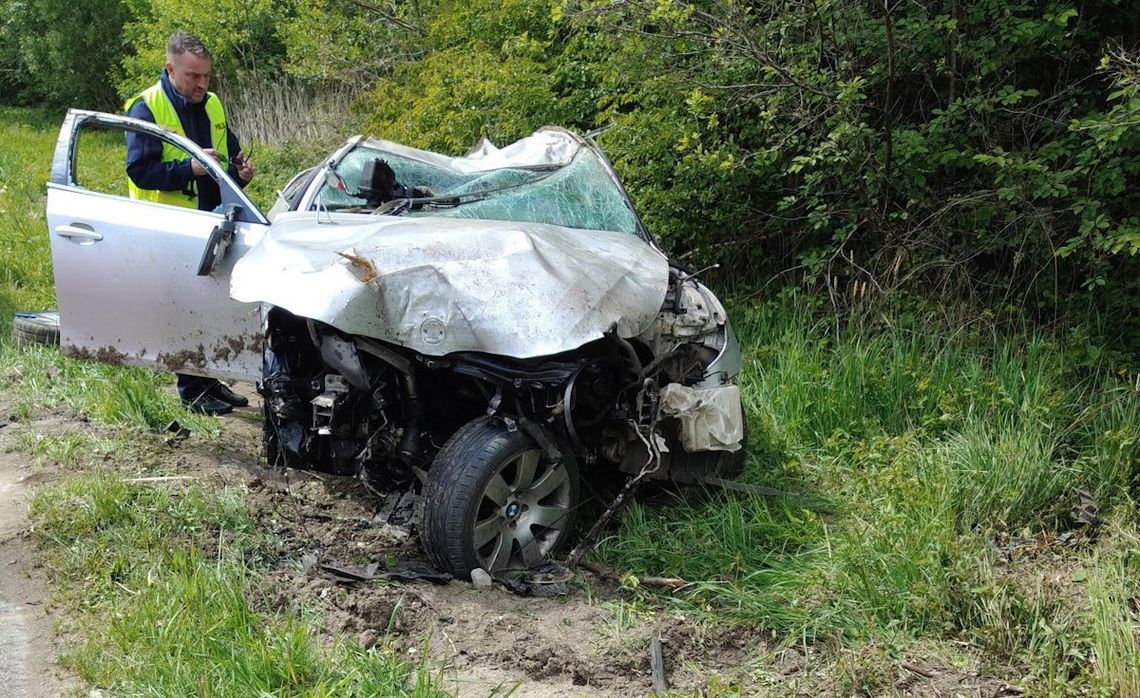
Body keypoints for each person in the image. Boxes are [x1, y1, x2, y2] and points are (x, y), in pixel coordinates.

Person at [125, 32, 256, 416]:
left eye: (206, 77)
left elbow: (230, 158)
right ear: (170, 69)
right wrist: (190, 167)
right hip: (169, 225)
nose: (201, 85)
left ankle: (207, 381)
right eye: (192, 77)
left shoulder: (212, 104)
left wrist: (241, 174)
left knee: (209, 304)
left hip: (214, 222)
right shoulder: (146, 107)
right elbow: (140, 171)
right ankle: (192, 391)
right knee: (183, 308)